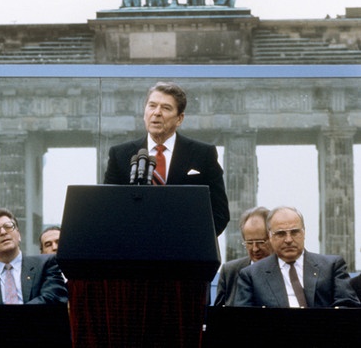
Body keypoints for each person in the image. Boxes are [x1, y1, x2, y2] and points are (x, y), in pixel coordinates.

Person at [103, 81, 230, 236]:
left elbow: (220, 212)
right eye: (152, 106)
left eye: (166, 108)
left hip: (185, 252)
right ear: (144, 113)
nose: (157, 113)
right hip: (134, 252)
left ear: (179, 118)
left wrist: (193, 243)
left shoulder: (203, 154)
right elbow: (109, 208)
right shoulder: (120, 154)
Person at [234, 205, 361, 308]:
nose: (288, 240)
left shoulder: (331, 267)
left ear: (304, 232)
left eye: (294, 232)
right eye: (281, 234)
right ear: (270, 237)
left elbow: (348, 307)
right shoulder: (252, 275)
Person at [0, 208, 68, 305]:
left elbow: (53, 298)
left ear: (19, 234)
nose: (3, 232)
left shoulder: (45, 264)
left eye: (8, 226)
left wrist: (15, 317)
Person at [214, 206, 273, 306]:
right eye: (249, 243)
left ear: (272, 238)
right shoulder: (229, 272)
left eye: (260, 242)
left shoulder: (285, 270)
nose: (255, 249)